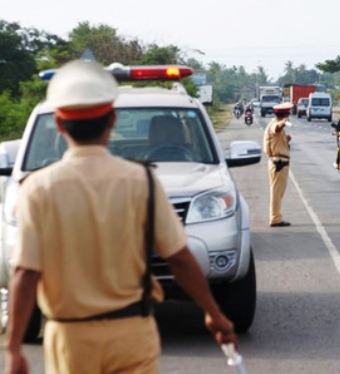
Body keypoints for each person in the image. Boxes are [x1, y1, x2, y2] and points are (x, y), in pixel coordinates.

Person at [5, 60, 238, 374]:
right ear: (111, 121)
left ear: (60, 125)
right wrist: (213, 313)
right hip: (131, 332)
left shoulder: (38, 189)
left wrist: (14, 348)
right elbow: (179, 257)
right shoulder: (141, 181)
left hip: (70, 337)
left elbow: (25, 274)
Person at [263, 102, 293, 227]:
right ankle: (275, 218)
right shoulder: (275, 124)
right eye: (287, 115)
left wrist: (287, 139)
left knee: (278, 192)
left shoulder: (274, 124)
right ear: (284, 115)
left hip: (279, 162)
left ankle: (276, 216)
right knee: (276, 192)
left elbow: (276, 138)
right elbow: (277, 128)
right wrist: (283, 123)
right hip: (278, 162)